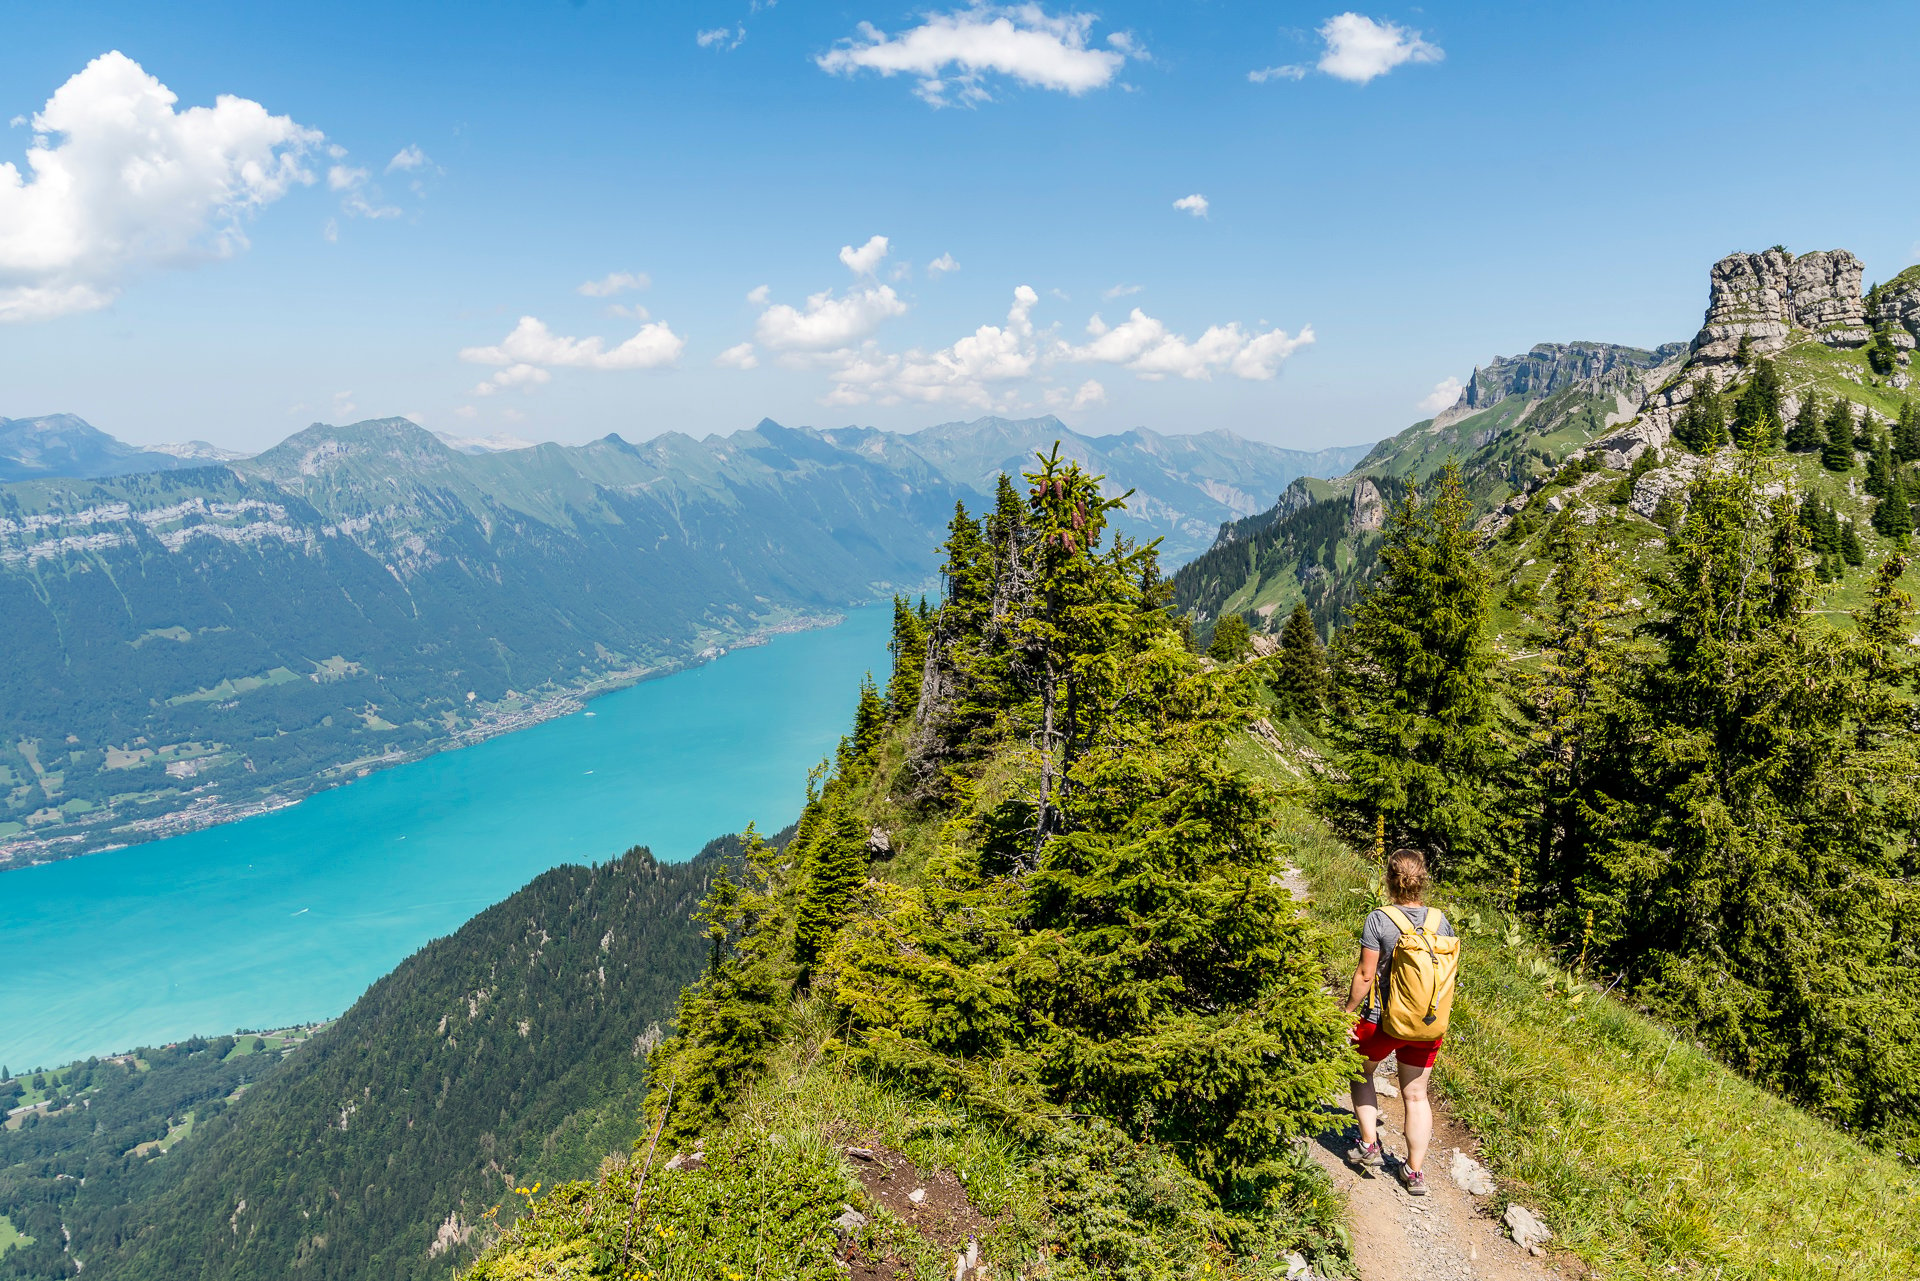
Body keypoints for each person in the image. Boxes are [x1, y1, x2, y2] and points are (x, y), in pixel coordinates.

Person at [1342, 847, 1454, 1196]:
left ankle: (1369, 1145)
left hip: (1382, 1020)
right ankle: (1414, 1172)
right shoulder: (1441, 920)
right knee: (1417, 1094)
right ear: (1422, 880)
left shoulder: (1379, 919)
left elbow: (1365, 973)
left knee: (1361, 1071)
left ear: (1388, 878)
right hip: (1428, 1021)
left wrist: (1346, 1012)